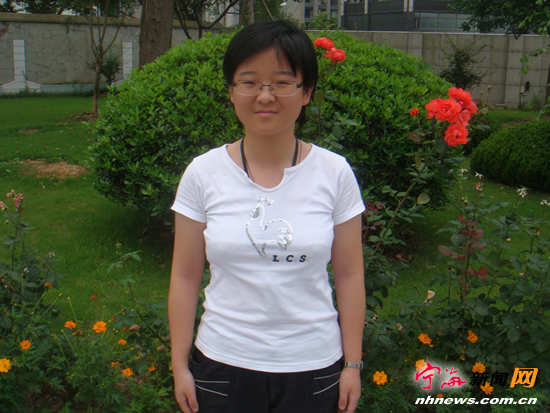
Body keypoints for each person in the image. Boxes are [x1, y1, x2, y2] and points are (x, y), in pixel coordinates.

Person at [169, 20, 366, 413]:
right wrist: (179, 366)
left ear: (306, 91)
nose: (265, 96)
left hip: (314, 368)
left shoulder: (334, 173)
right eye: (249, 82)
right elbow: (185, 275)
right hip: (223, 365)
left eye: (282, 82)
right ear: (232, 91)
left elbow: (349, 274)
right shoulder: (203, 173)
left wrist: (353, 364)